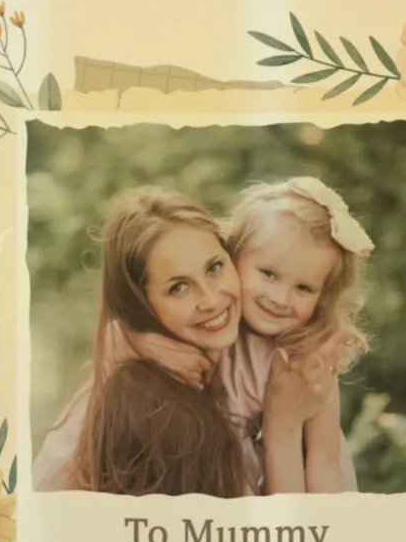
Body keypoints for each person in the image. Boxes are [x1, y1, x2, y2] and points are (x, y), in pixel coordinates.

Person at [32, 188, 332, 496]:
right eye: (178, 288)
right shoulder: (156, 415)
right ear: (141, 304)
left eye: (214, 267)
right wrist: (282, 426)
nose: (211, 300)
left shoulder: (265, 351)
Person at [121, 177, 373, 493]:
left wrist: (322, 519)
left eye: (303, 288)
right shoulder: (210, 330)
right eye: (268, 274)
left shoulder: (310, 356)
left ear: (323, 296)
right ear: (234, 254)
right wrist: (140, 342)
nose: (280, 298)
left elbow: (325, 460)